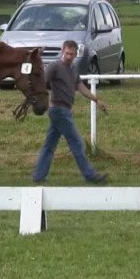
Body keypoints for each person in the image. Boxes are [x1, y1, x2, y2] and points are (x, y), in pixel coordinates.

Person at [33, 39, 109, 184]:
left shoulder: (72, 70)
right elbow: (42, 83)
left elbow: (81, 87)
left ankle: (38, 176)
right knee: (76, 143)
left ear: (75, 54)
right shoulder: (54, 66)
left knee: (49, 144)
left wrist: (96, 100)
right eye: (67, 53)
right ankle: (90, 175)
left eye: (72, 54)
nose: (69, 56)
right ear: (62, 51)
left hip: (64, 110)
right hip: (58, 110)